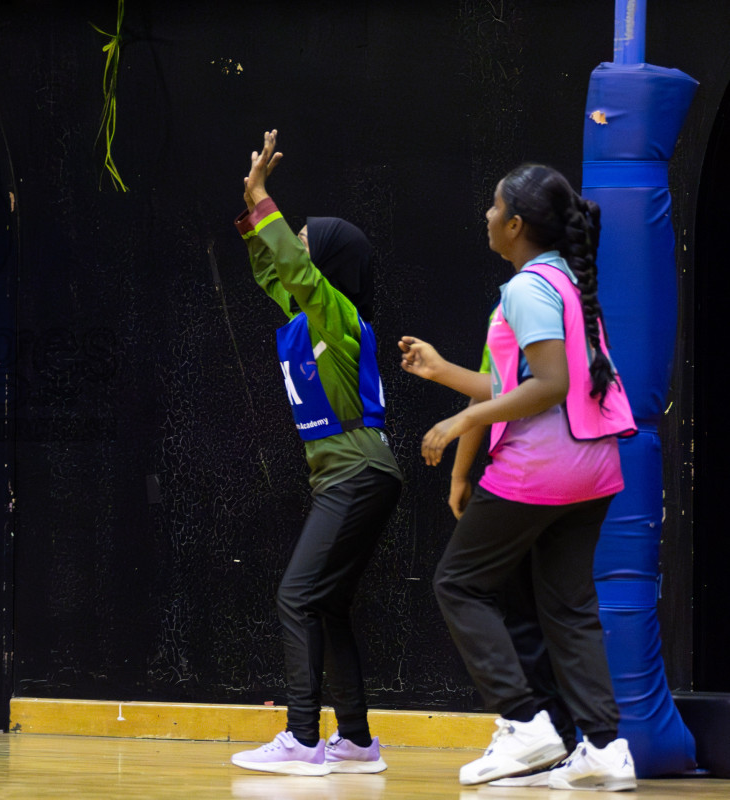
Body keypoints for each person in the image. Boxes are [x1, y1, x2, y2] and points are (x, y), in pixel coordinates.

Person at [405, 163, 637, 790]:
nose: (485, 215)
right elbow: (520, 385)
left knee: (459, 585)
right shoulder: (565, 280)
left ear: (513, 225)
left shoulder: (526, 289)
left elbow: (550, 387)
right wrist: (445, 372)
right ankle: (605, 749)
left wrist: (461, 422)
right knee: (570, 606)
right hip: (595, 470)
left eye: (493, 206)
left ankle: (526, 723)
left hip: (542, 469)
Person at [228, 130, 403, 777]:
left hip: (356, 474)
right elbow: (275, 273)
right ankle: (355, 741)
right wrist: (251, 211)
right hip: (356, 475)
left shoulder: (337, 314)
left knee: (295, 597)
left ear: (327, 263)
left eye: (304, 239)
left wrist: (266, 199)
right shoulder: (309, 318)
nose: (294, 245)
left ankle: (303, 739)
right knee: (324, 604)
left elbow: (295, 272)